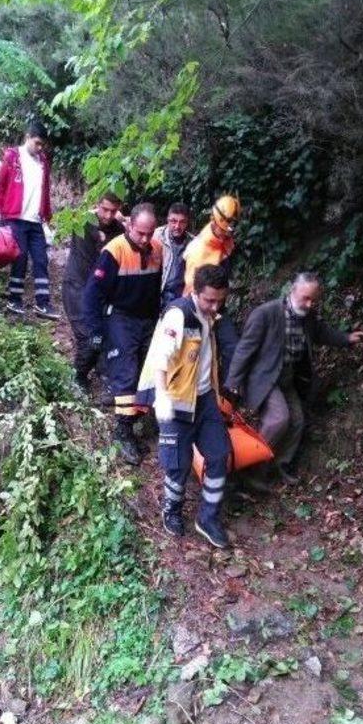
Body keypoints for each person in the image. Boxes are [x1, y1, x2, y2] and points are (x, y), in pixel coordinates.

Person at [226, 272, 363, 487]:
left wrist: (347, 339)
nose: (309, 303)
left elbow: (322, 332)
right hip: (264, 378)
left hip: (287, 378)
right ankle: (250, 469)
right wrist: (232, 383)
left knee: (297, 421)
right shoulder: (266, 314)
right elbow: (244, 350)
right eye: (305, 297)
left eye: (313, 299)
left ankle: (279, 464)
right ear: (292, 291)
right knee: (279, 419)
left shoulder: (308, 316)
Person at [137, 264, 231, 549]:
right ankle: (172, 510)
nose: (214, 306)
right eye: (209, 300)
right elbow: (160, 360)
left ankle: (208, 518)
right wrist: (162, 396)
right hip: (177, 399)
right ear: (195, 292)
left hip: (204, 399)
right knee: (178, 464)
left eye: (219, 300)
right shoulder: (179, 315)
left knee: (219, 454)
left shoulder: (209, 316)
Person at [84, 202, 162, 465]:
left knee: (147, 373)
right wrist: (96, 331)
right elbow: (91, 295)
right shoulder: (114, 251)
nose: (145, 238)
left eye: (150, 233)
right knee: (126, 373)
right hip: (121, 317)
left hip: (148, 319)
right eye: (140, 232)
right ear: (129, 225)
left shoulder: (157, 249)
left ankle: (137, 418)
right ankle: (123, 431)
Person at [0, 120, 59, 319]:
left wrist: (47, 216)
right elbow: (0, 185)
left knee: (40, 259)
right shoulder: (12, 156)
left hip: (36, 220)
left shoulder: (43, 162)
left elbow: (44, 191)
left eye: (42, 145)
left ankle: (43, 304)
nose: (40, 148)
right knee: (19, 258)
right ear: (27, 137)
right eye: (37, 143)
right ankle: (14, 299)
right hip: (15, 217)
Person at [62, 192, 125, 390]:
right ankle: (78, 377)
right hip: (77, 287)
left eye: (113, 211)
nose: (107, 216)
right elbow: (96, 262)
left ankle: (98, 371)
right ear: (97, 205)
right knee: (90, 338)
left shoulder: (118, 228)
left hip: (100, 292)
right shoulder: (84, 223)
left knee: (101, 338)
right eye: (104, 209)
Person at [182, 195, 241, 380]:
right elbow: (190, 288)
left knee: (231, 347)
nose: (228, 233)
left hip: (217, 306)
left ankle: (227, 394)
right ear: (214, 222)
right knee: (197, 353)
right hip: (199, 307)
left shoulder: (223, 240)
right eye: (226, 230)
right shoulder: (200, 250)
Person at [155, 202, 194, 309]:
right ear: (167, 220)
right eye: (173, 221)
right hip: (157, 292)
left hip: (180, 295)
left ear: (187, 223)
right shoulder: (156, 236)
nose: (177, 226)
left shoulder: (194, 243)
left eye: (182, 222)